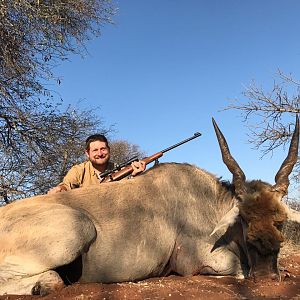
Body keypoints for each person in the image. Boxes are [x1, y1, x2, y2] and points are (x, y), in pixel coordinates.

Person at [48, 134, 146, 194]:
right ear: (87, 153)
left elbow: (129, 192)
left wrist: (135, 176)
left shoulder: (120, 170)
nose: (100, 154)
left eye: (103, 149)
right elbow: (66, 185)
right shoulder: (78, 170)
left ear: (109, 150)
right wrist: (60, 189)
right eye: (95, 150)